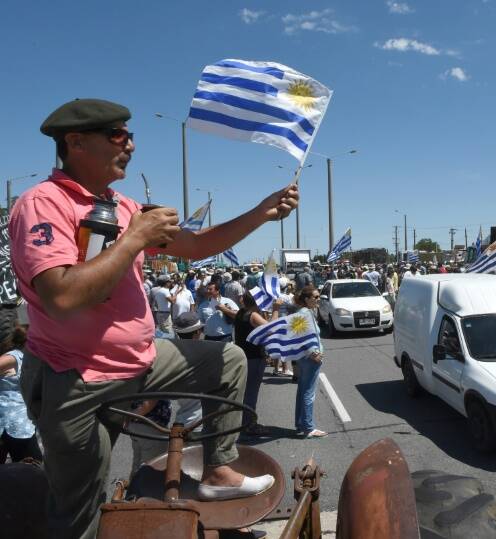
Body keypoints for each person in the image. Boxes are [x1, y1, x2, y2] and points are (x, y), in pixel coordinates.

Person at [10, 98, 298, 538]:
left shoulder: (121, 205)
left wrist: (261, 212)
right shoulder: (42, 203)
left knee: (230, 361)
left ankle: (219, 473)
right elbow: (61, 296)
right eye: (118, 135)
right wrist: (135, 238)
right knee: (78, 514)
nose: (131, 145)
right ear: (75, 142)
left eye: (130, 135)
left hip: (139, 361)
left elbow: (197, 246)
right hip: (76, 379)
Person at [234, 292, 281, 436]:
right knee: (251, 393)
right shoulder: (252, 315)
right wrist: (275, 309)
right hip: (253, 358)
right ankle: (249, 425)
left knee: (246, 392)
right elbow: (271, 329)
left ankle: (244, 422)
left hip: (244, 356)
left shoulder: (242, 312)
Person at [0, 326, 43, 462]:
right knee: (33, 469)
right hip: (12, 423)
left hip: (21, 422)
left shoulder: (31, 359)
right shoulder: (14, 357)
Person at [292, 286, 327, 438]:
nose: (318, 299)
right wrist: (312, 353)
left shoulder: (305, 312)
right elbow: (299, 336)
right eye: (316, 297)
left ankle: (301, 424)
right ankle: (308, 427)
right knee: (308, 393)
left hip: (305, 358)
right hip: (309, 359)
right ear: (307, 299)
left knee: (303, 391)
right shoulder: (304, 314)